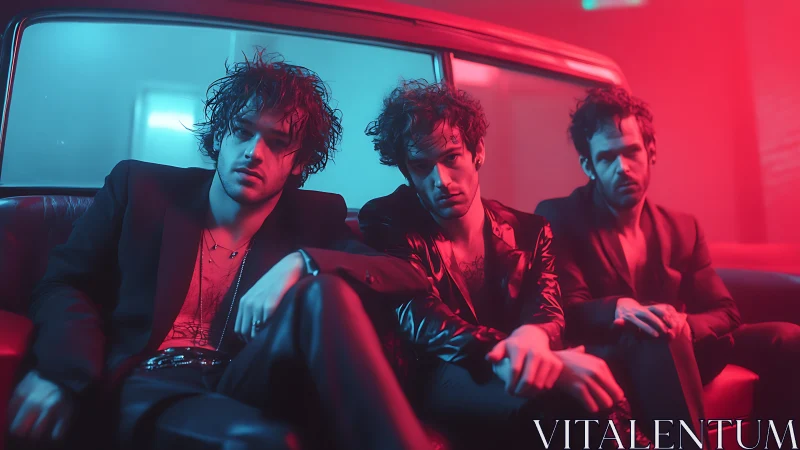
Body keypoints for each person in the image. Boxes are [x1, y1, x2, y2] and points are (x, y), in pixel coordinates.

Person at [7, 50, 434, 450]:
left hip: (246, 379)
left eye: (277, 142)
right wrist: (63, 372)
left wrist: (301, 263)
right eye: (242, 132)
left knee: (325, 289)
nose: (253, 153)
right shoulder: (141, 189)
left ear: (299, 162)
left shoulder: (314, 218)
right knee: (267, 440)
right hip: (151, 381)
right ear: (219, 135)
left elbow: (406, 274)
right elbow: (64, 284)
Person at [359, 80, 646, 450]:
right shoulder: (387, 220)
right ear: (406, 172)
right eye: (421, 166)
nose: (441, 180)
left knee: (597, 381)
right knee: (557, 397)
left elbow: (547, 309)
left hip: (520, 366)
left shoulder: (530, 230)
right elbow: (422, 320)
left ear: (478, 151)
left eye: (451, 158)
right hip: (441, 374)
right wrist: (519, 350)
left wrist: (535, 337)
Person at [534, 86, 800, 436]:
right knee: (659, 337)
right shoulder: (559, 216)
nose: (622, 168)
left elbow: (726, 311)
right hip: (614, 353)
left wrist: (684, 323)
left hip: (681, 346)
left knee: (787, 337)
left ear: (651, 151)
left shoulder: (682, 226)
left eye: (631, 151)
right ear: (589, 165)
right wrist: (619, 308)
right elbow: (566, 310)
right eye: (607, 158)